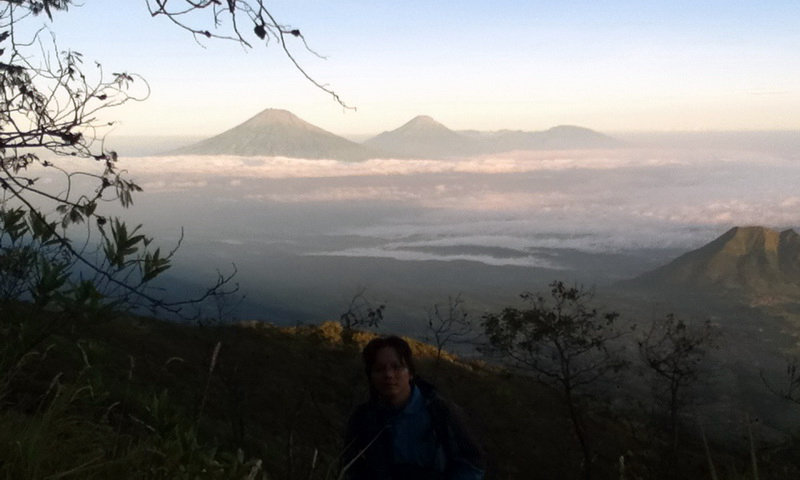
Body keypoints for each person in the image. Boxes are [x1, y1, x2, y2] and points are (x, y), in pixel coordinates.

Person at [343, 336, 485, 480]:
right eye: (379, 369)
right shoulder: (363, 419)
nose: (389, 375)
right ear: (371, 376)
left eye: (396, 367)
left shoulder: (440, 411)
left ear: (410, 373)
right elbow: (351, 468)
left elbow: (472, 465)